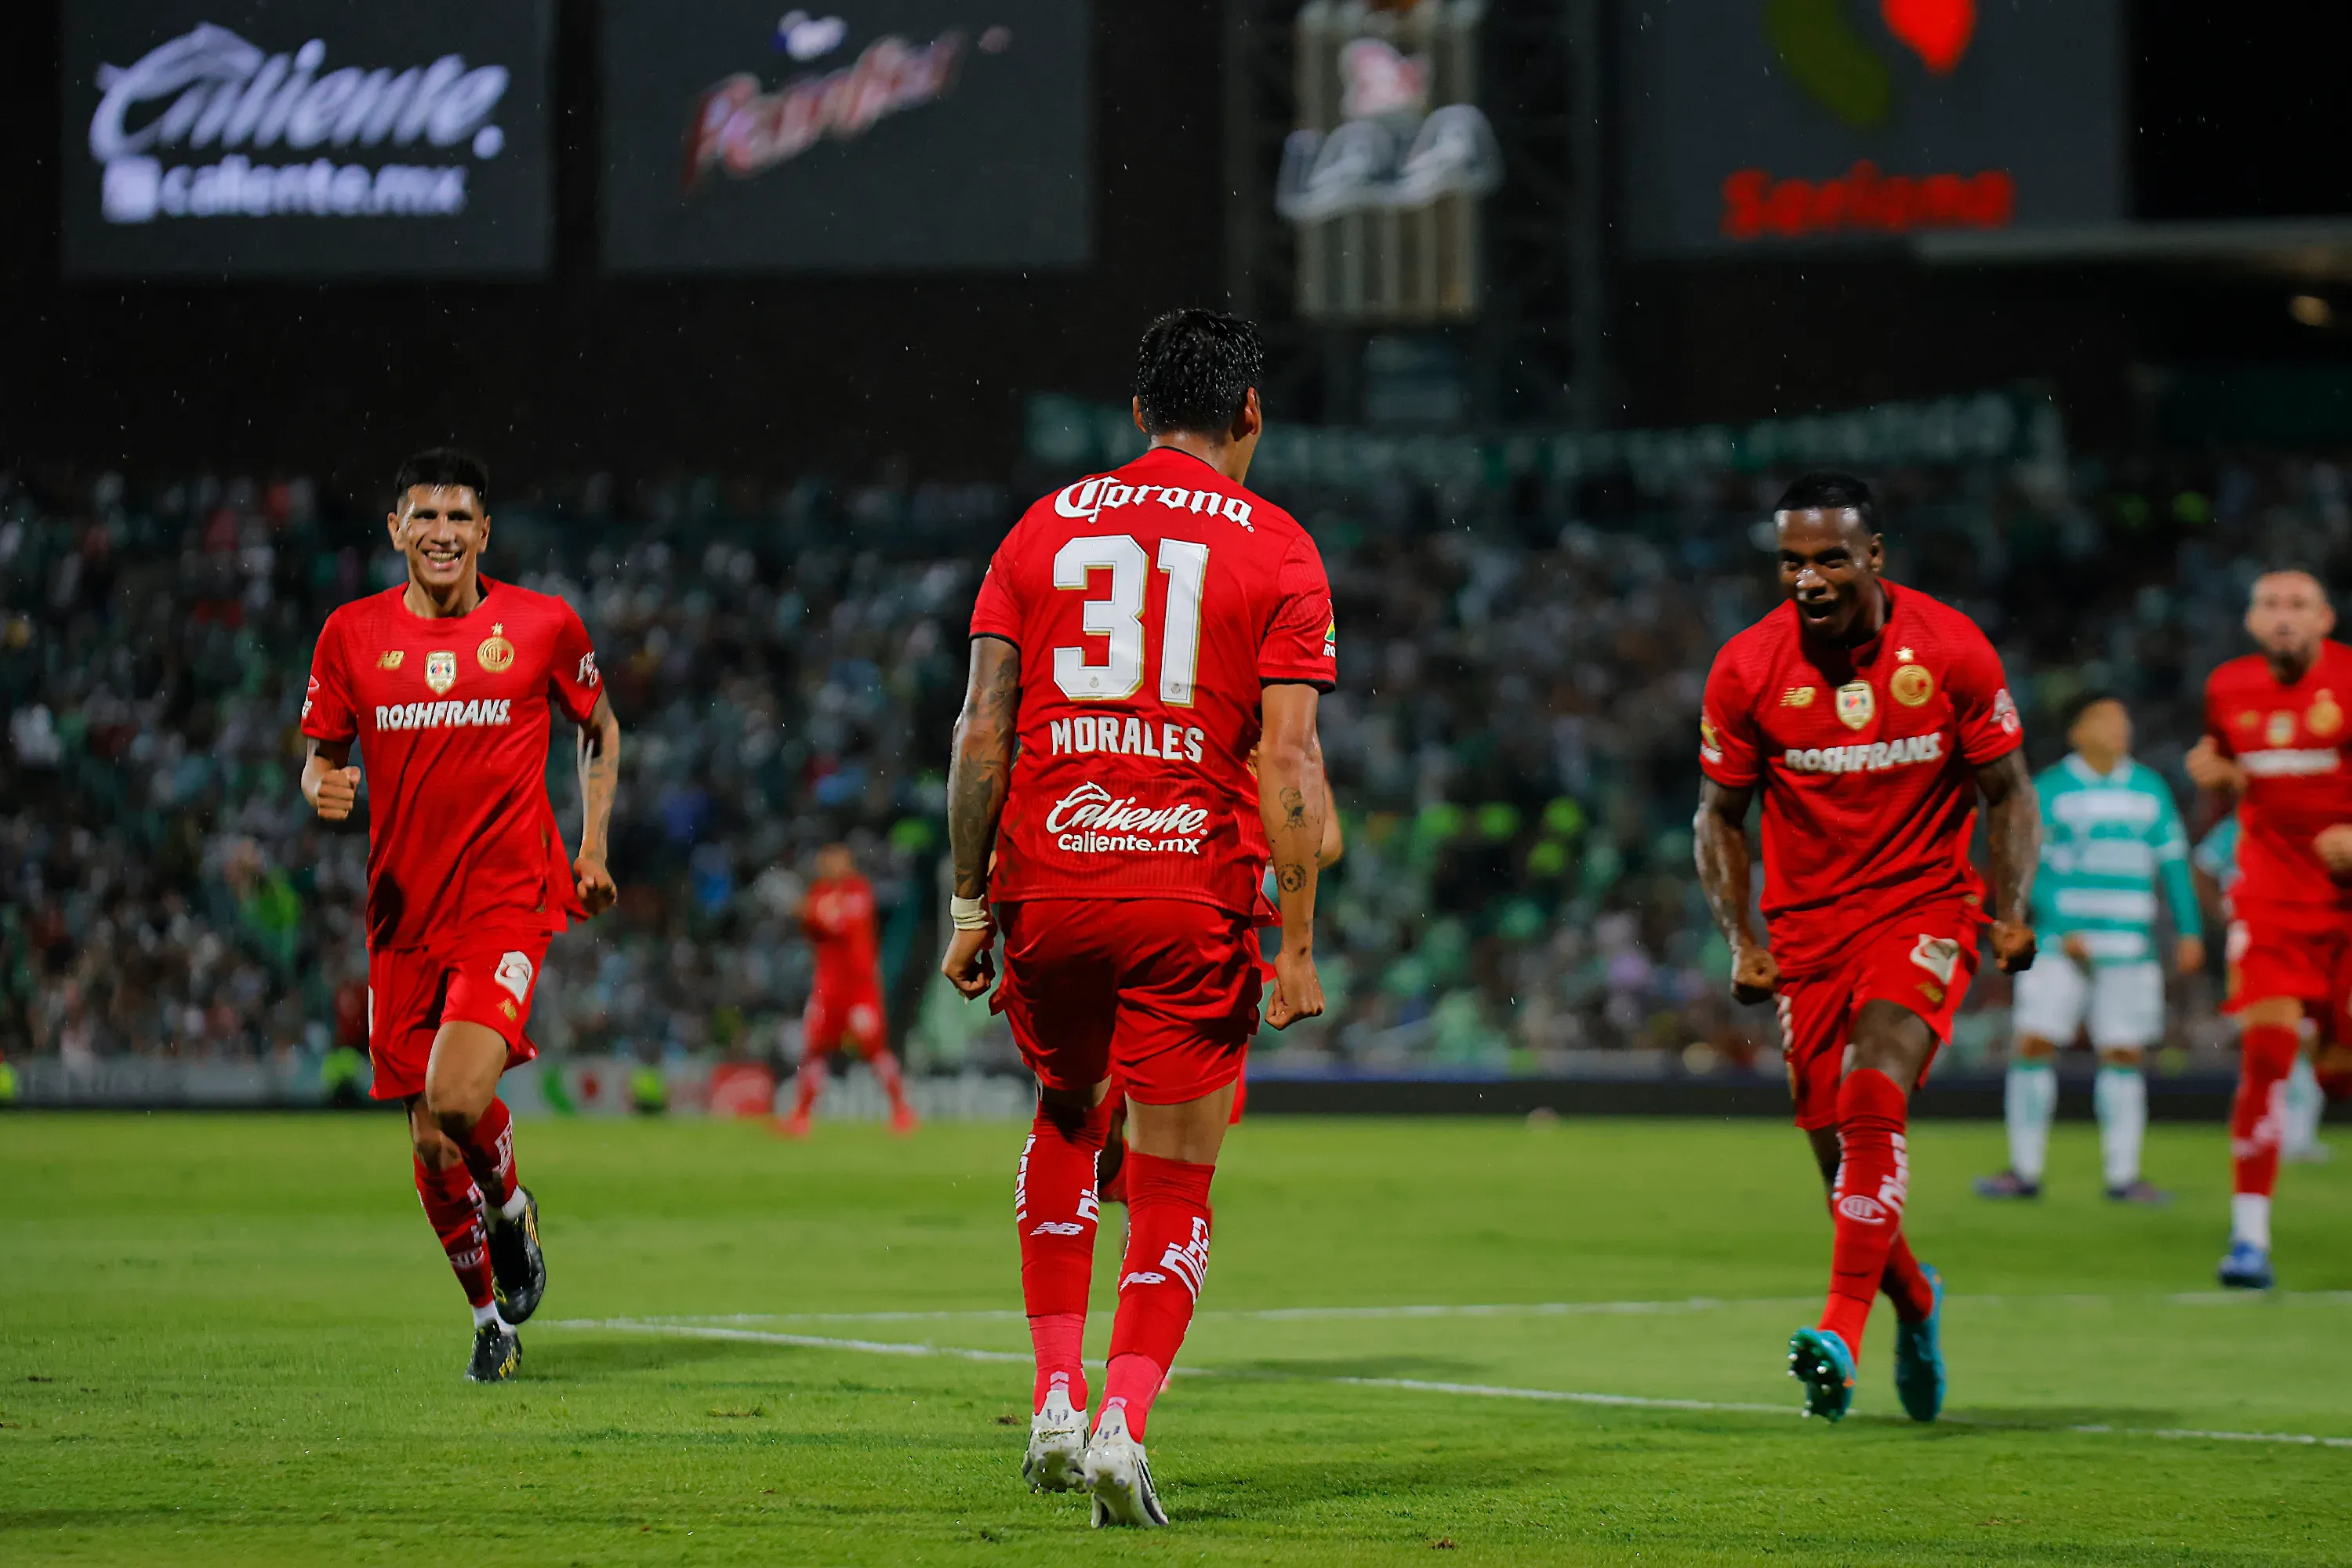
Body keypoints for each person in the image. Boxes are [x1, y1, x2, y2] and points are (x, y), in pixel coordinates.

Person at [941, 308, 1336, 1526]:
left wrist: (967, 905)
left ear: (1135, 417)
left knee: (1066, 1116)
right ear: (1251, 416)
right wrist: (1301, 944)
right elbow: (1289, 763)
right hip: (1185, 890)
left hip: (1049, 880)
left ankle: (1054, 1396)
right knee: (1174, 1177)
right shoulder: (1280, 550)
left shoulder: (1041, 529)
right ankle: (1122, 1423)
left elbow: (981, 734)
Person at [1693, 471, 2038, 1425]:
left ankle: (1839, 1329)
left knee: (1873, 1086)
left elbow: (2006, 789)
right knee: (1840, 1163)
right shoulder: (1747, 668)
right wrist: (1743, 938)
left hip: (1926, 907)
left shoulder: (1952, 648)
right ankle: (1915, 1300)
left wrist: (2009, 907)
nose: (1808, 578)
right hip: (1808, 936)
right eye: (1792, 561)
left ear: (1874, 556)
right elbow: (1719, 816)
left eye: (1830, 558)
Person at [299, 448, 620, 1383]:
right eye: (424, 516)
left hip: (507, 898)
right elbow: (316, 752)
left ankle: (513, 1208)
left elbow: (597, 725)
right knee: (434, 1145)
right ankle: (490, 1319)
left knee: (457, 1094)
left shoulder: (542, 624)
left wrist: (592, 845)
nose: (442, 533)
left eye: (460, 518)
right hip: (402, 916)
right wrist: (321, 781)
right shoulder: (350, 635)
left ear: (486, 531)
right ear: (395, 529)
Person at [2185, 569, 2352, 1289]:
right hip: (2272, 900)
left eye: (2297, 606)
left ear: (2325, 619)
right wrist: (2217, 773)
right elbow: (2227, 761)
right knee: (2266, 1052)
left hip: (2347, 904)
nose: (2282, 618)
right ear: (2252, 620)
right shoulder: (2228, 687)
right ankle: (2248, 1239)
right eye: (2269, 606)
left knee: (2336, 1073)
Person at [1976, 693, 2201, 1204]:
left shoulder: (2149, 789)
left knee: (2124, 1052)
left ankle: (2124, 1176)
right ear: (2078, 731)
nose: (2118, 729)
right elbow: (2027, 868)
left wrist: (2189, 931)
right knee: (2034, 1042)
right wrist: (2063, 921)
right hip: (2060, 945)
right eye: (2104, 719)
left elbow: (2173, 867)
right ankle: (2023, 1170)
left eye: (2123, 720)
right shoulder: (2052, 790)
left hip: (2128, 946)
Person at [2194, 815, 2333, 1166]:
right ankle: (2276, 1133)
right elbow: (2202, 868)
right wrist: (2227, 911)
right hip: (2258, 941)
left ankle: (2294, 1135)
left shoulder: (2309, 824)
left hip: (2302, 938)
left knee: (2303, 1039)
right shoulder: (2241, 826)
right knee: (2275, 1041)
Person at [777, 842, 918, 1138]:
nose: (829, 867)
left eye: (835, 861)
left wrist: (807, 911)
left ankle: (902, 1111)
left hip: (859, 990)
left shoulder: (858, 891)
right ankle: (801, 1117)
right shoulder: (819, 893)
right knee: (815, 1050)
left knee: (874, 1050)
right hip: (828, 990)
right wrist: (808, 912)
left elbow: (835, 922)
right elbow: (813, 929)